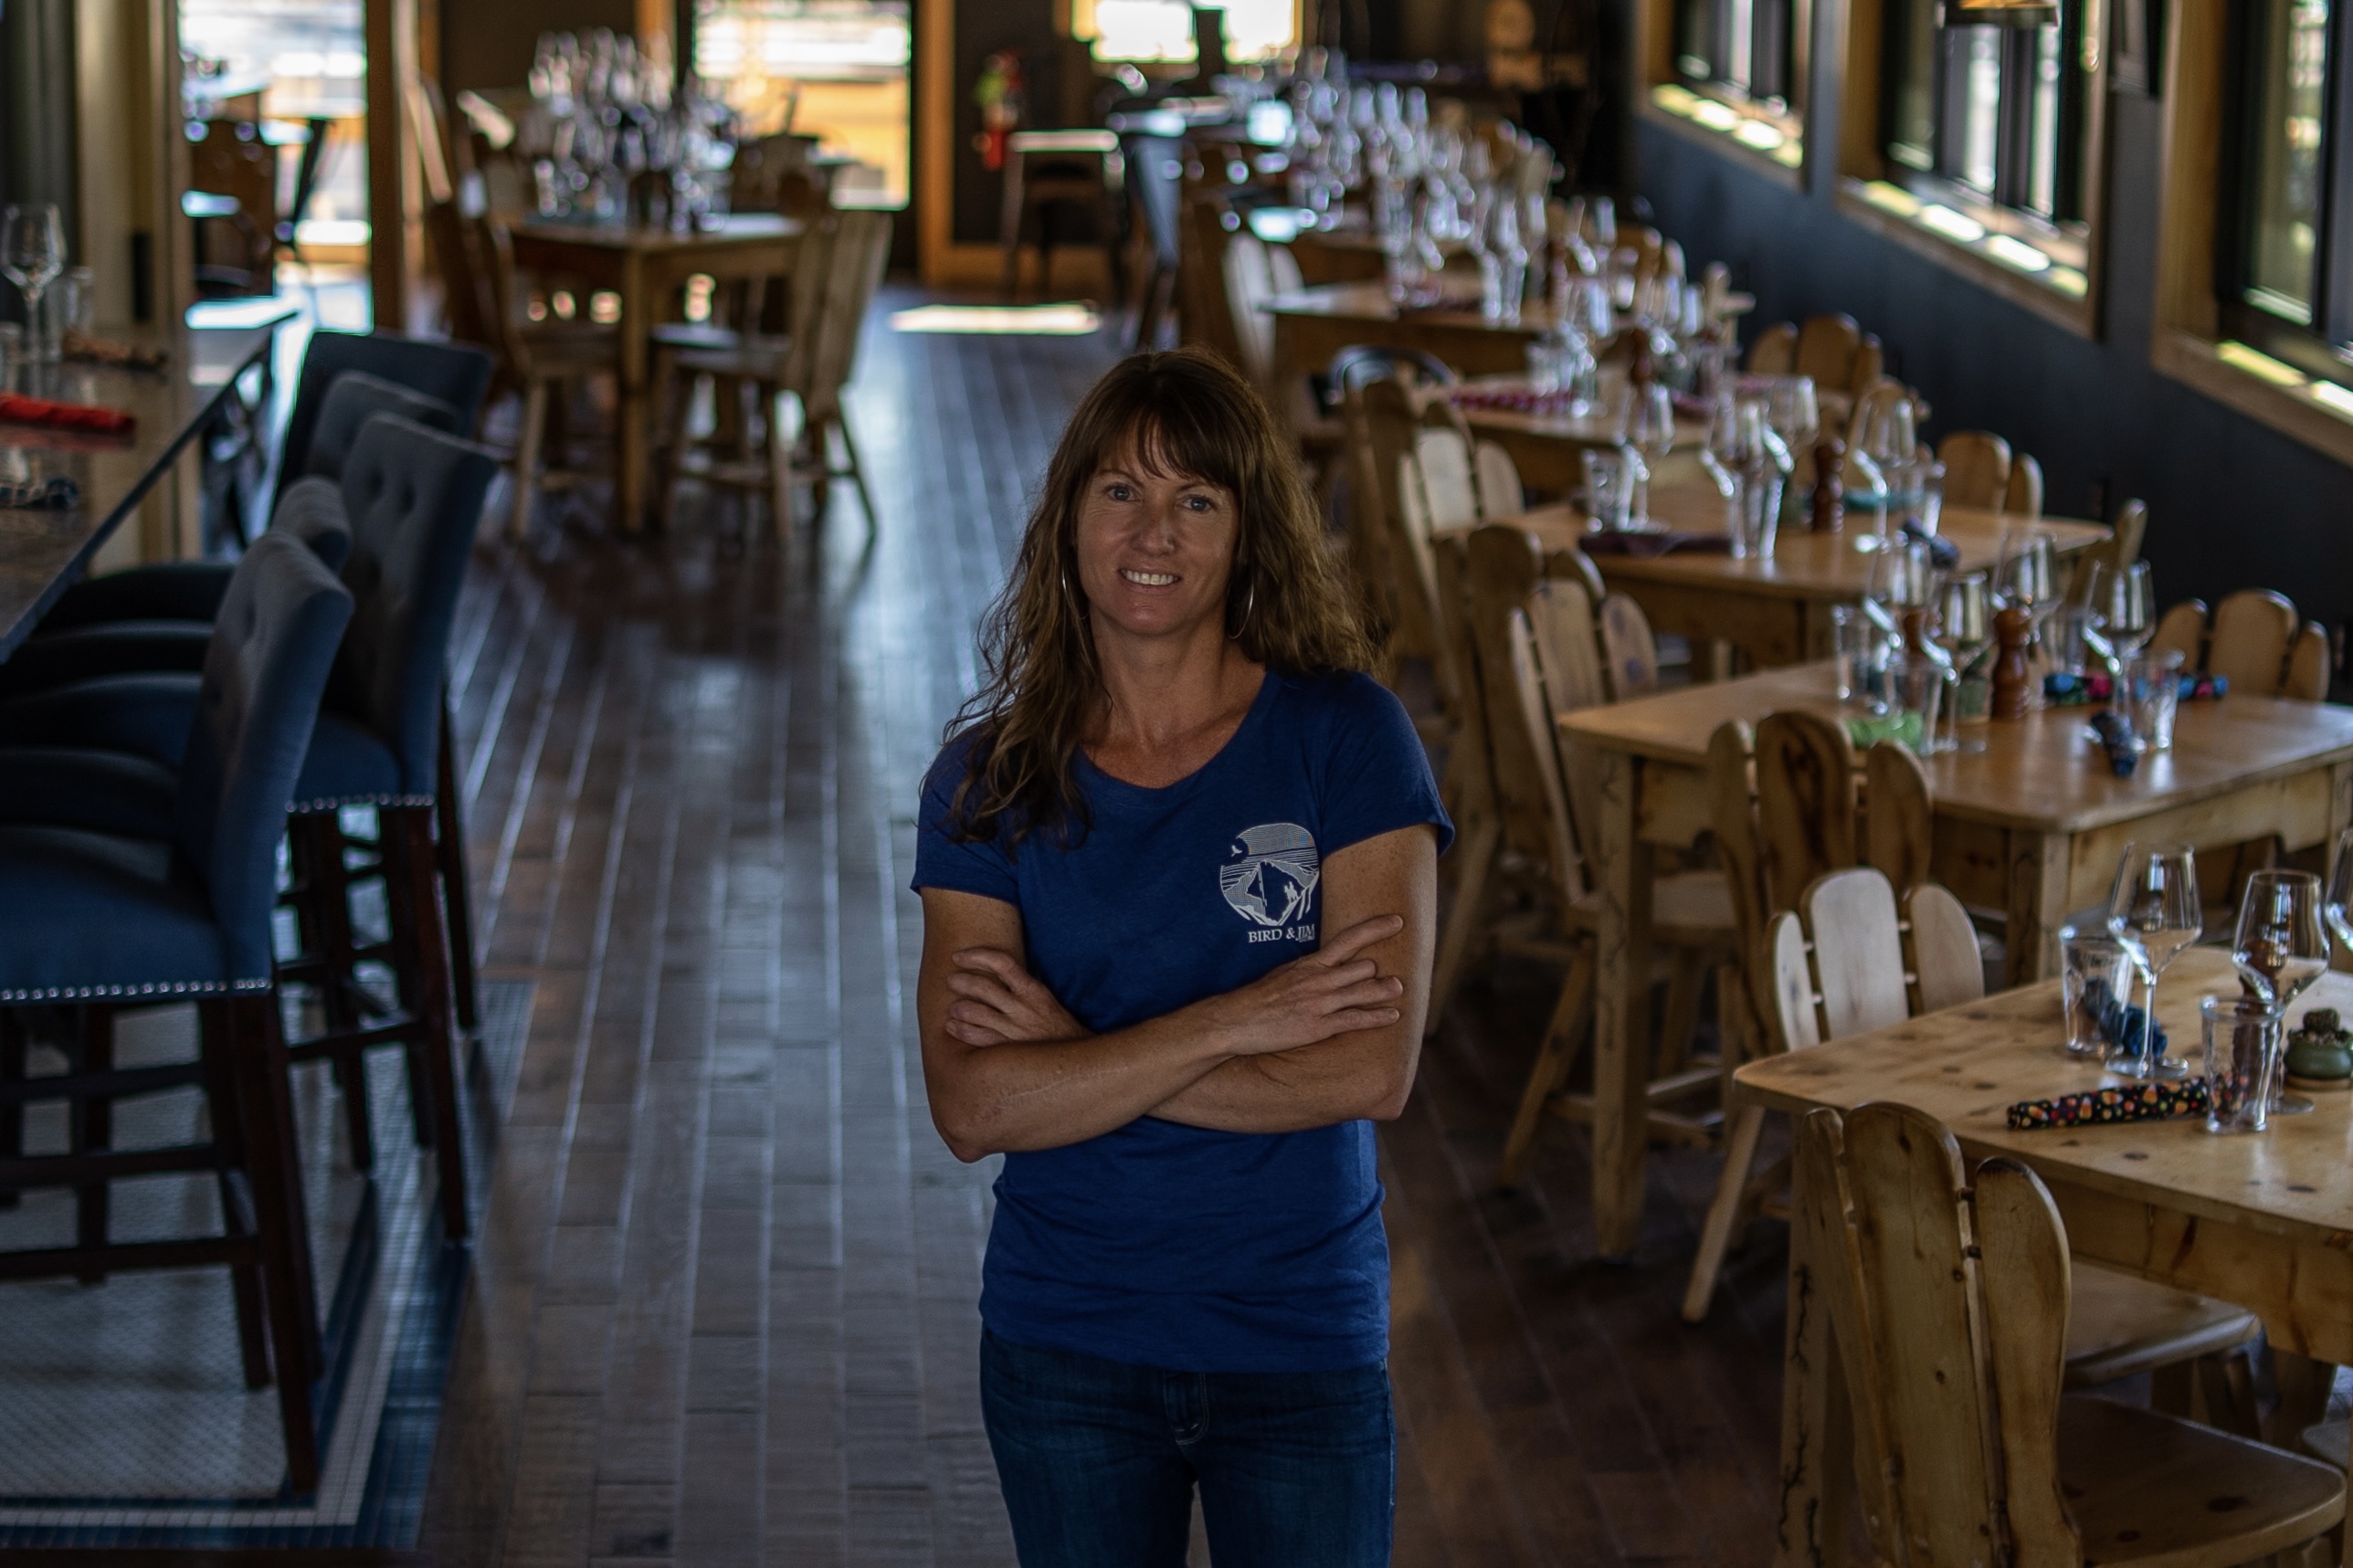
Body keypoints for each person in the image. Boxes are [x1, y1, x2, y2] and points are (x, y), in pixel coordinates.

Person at [912, 348, 1449, 1567]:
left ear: (1247, 532)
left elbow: (1370, 1070)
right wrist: (1241, 1016)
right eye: (1120, 492)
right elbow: (972, 1102)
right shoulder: (988, 782)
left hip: (1298, 1337)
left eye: (1196, 499)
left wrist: (1077, 1059)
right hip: (1067, 1341)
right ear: (1069, 523)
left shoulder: (1348, 742)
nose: (1154, 531)